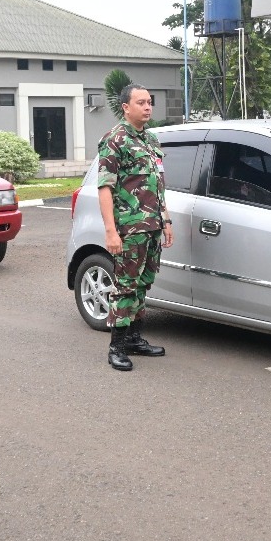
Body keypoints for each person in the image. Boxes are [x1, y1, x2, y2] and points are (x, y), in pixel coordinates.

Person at [98, 84, 173, 371]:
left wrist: (166, 220)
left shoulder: (151, 140)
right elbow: (105, 187)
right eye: (140, 102)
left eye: (150, 102)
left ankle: (134, 338)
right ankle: (116, 346)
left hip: (152, 227)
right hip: (129, 229)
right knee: (125, 286)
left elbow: (159, 186)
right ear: (125, 107)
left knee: (144, 282)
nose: (147, 107)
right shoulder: (115, 140)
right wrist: (110, 231)